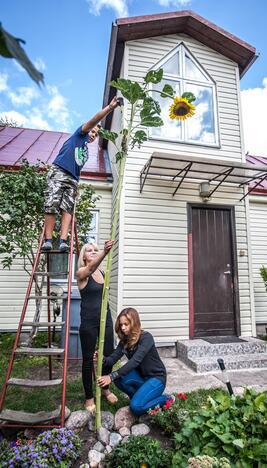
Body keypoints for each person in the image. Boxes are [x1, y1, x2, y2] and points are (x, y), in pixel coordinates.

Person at [42, 96, 120, 251]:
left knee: (67, 208)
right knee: (52, 204)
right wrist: (110, 108)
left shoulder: (85, 150)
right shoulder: (79, 134)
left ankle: (63, 240)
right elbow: (94, 119)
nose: (93, 134)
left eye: (96, 134)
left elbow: (77, 168)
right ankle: (49, 240)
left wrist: (76, 185)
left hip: (72, 178)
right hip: (59, 171)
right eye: (92, 131)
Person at [97, 307, 173, 416]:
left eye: (126, 324)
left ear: (134, 323)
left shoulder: (146, 337)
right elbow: (112, 359)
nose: (123, 328)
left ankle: (166, 399)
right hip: (141, 378)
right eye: (121, 324)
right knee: (119, 379)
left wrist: (111, 376)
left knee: (136, 408)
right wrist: (102, 359)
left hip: (156, 378)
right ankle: (139, 398)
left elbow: (134, 362)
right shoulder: (125, 341)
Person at [76, 240, 118, 413]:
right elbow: (91, 268)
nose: (93, 252)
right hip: (89, 321)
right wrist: (105, 252)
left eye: (95, 249)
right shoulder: (82, 273)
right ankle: (89, 397)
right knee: (87, 360)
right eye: (89, 250)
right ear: (83, 257)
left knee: (108, 354)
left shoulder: (101, 271)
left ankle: (104, 388)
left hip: (105, 318)